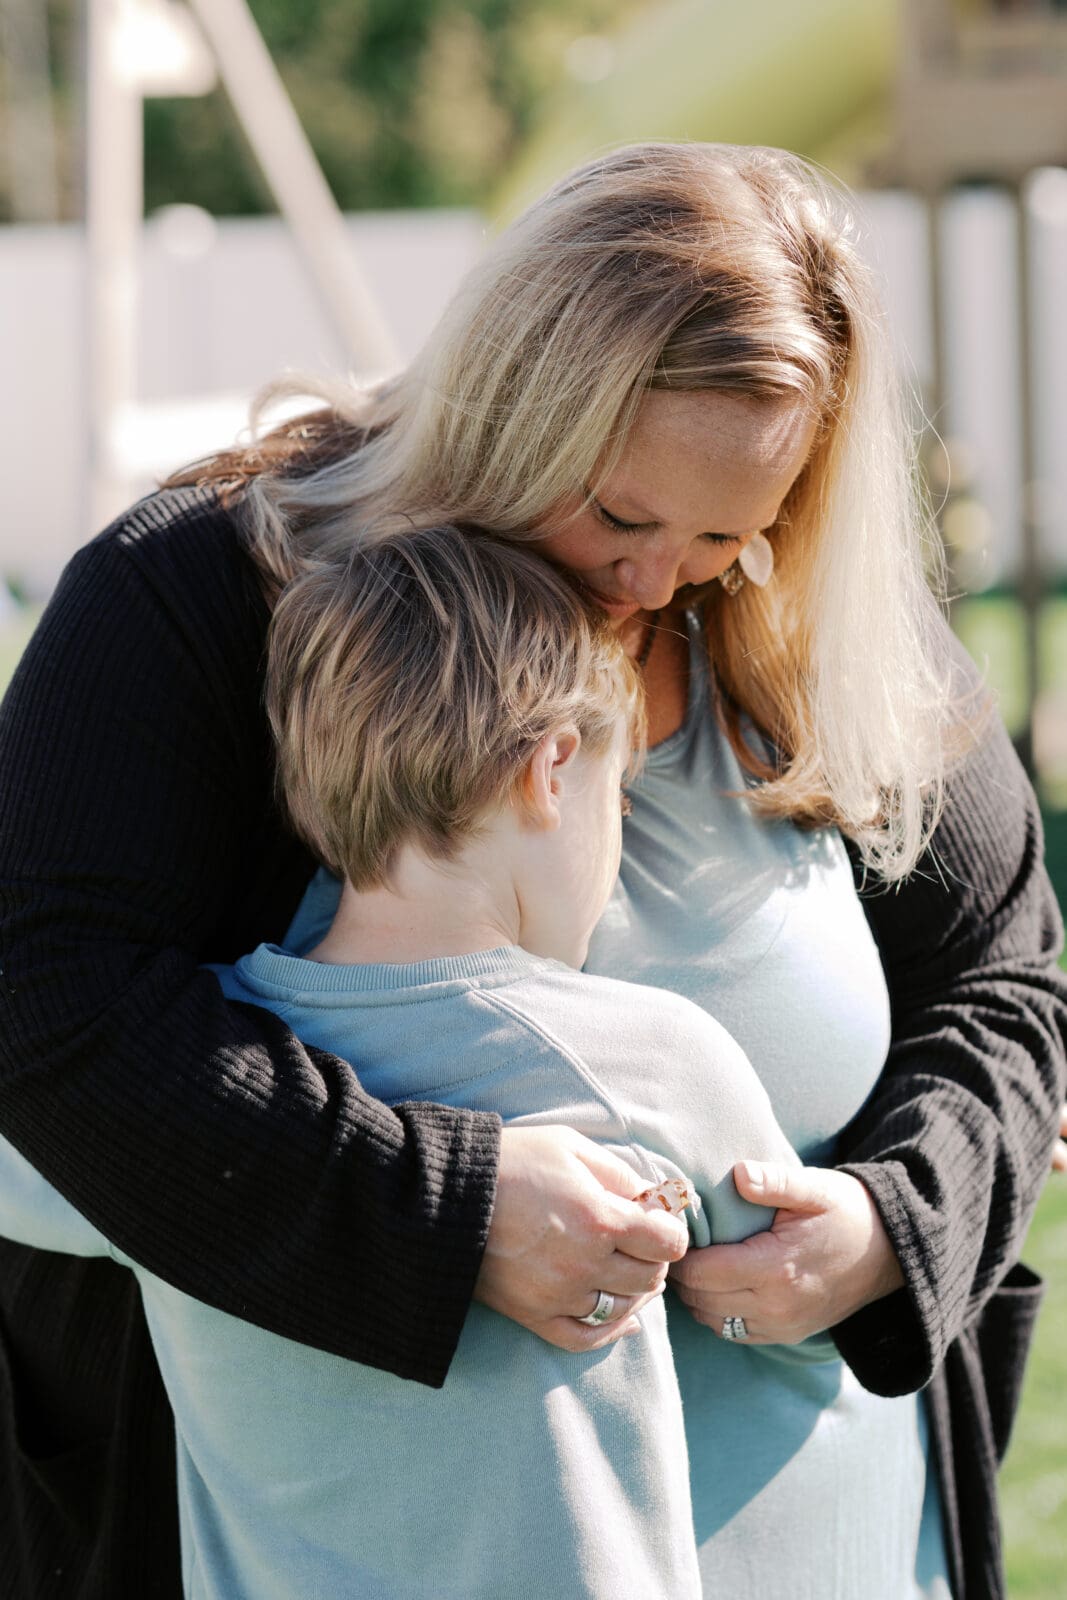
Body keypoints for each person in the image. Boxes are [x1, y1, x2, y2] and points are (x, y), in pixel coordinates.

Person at [0, 141, 1064, 1598]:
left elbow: (1004, 984)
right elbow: (49, 998)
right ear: (508, 409)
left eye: (722, 538)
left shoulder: (814, 628)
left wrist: (899, 1224)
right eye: (618, 515)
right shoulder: (205, 593)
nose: (651, 584)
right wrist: (445, 1215)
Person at [0, 522, 806, 1597]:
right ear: (551, 769)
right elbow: (783, 1290)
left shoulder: (156, 1101)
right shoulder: (646, 1060)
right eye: (620, 804)